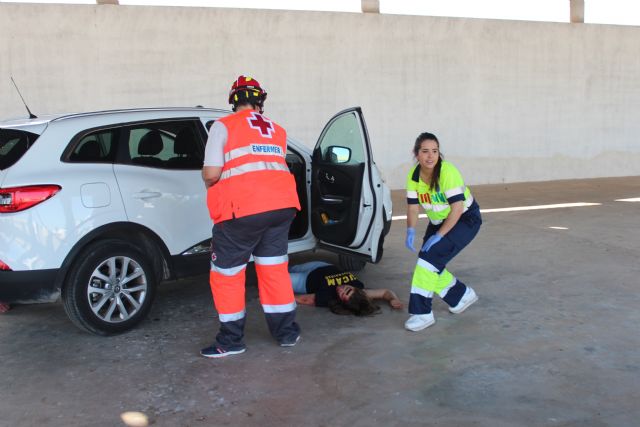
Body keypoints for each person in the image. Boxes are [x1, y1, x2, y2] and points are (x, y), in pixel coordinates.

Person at [200, 75, 302, 358]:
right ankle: (287, 333)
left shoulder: (223, 126)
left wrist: (209, 183)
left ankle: (231, 341)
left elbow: (211, 173)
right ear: (261, 101)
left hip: (242, 212)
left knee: (228, 275)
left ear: (233, 101)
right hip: (281, 209)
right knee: (273, 270)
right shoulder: (277, 130)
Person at [404, 132, 482, 332]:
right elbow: (413, 207)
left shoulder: (447, 171)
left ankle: (422, 314)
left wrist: (439, 236)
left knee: (427, 262)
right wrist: (410, 229)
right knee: (429, 262)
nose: (430, 156)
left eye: (435, 151)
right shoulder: (414, 177)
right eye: (425, 151)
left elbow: (456, 209)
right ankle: (461, 296)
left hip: (465, 219)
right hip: (438, 221)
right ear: (416, 154)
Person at [290, 261, 403, 315]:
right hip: (323, 266)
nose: (341, 289)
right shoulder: (361, 291)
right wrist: (393, 299)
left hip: (304, 281)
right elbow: (385, 292)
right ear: (356, 290)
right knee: (292, 267)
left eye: (342, 294)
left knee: (277, 278)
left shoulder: (330, 298)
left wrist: (281, 297)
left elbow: (303, 299)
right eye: (348, 289)